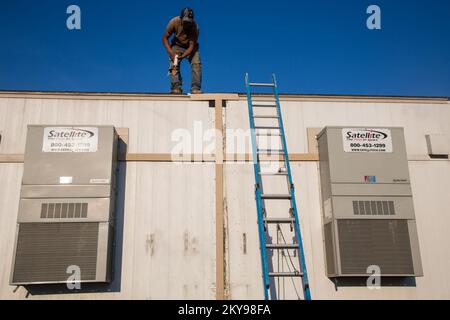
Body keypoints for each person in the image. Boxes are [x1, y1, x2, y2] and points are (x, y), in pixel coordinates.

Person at [162, 8, 202, 94]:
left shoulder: (195, 27)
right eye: (185, 21)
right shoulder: (174, 22)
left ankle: (195, 88)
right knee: (173, 65)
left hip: (191, 47)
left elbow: (191, 46)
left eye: (189, 22)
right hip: (176, 45)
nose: (187, 24)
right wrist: (171, 53)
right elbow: (164, 38)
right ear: (181, 18)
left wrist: (183, 56)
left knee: (196, 64)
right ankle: (175, 87)